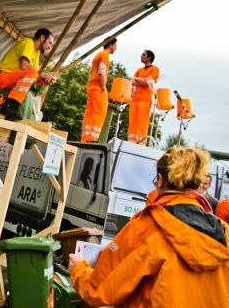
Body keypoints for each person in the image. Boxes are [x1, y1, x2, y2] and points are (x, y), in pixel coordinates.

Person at [69, 146, 229, 307]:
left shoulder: (146, 228)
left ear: (160, 180)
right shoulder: (224, 232)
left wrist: (78, 269)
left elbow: (99, 289)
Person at [0, 28, 58, 120]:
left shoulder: (37, 53)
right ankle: (10, 105)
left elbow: (36, 75)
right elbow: (24, 66)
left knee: (42, 80)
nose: (49, 47)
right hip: (0, 78)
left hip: (12, 80)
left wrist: (46, 80)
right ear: (42, 38)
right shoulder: (28, 42)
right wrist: (44, 75)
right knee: (35, 73)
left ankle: (36, 112)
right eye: (49, 42)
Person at [80, 38, 117, 142]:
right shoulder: (104, 55)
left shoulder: (99, 54)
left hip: (92, 86)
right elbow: (102, 71)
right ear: (111, 45)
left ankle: (86, 138)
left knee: (90, 112)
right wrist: (104, 87)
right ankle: (92, 137)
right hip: (98, 87)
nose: (116, 48)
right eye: (115, 45)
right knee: (100, 111)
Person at [128, 50, 159, 145]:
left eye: (143, 54)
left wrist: (138, 79)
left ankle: (140, 144)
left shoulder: (155, 69)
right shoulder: (139, 70)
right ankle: (130, 143)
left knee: (142, 124)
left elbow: (147, 81)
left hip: (145, 100)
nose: (141, 56)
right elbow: (131, 82)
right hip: (135, 99)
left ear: (149, 57)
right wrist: (142, 80)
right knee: (132, 123)